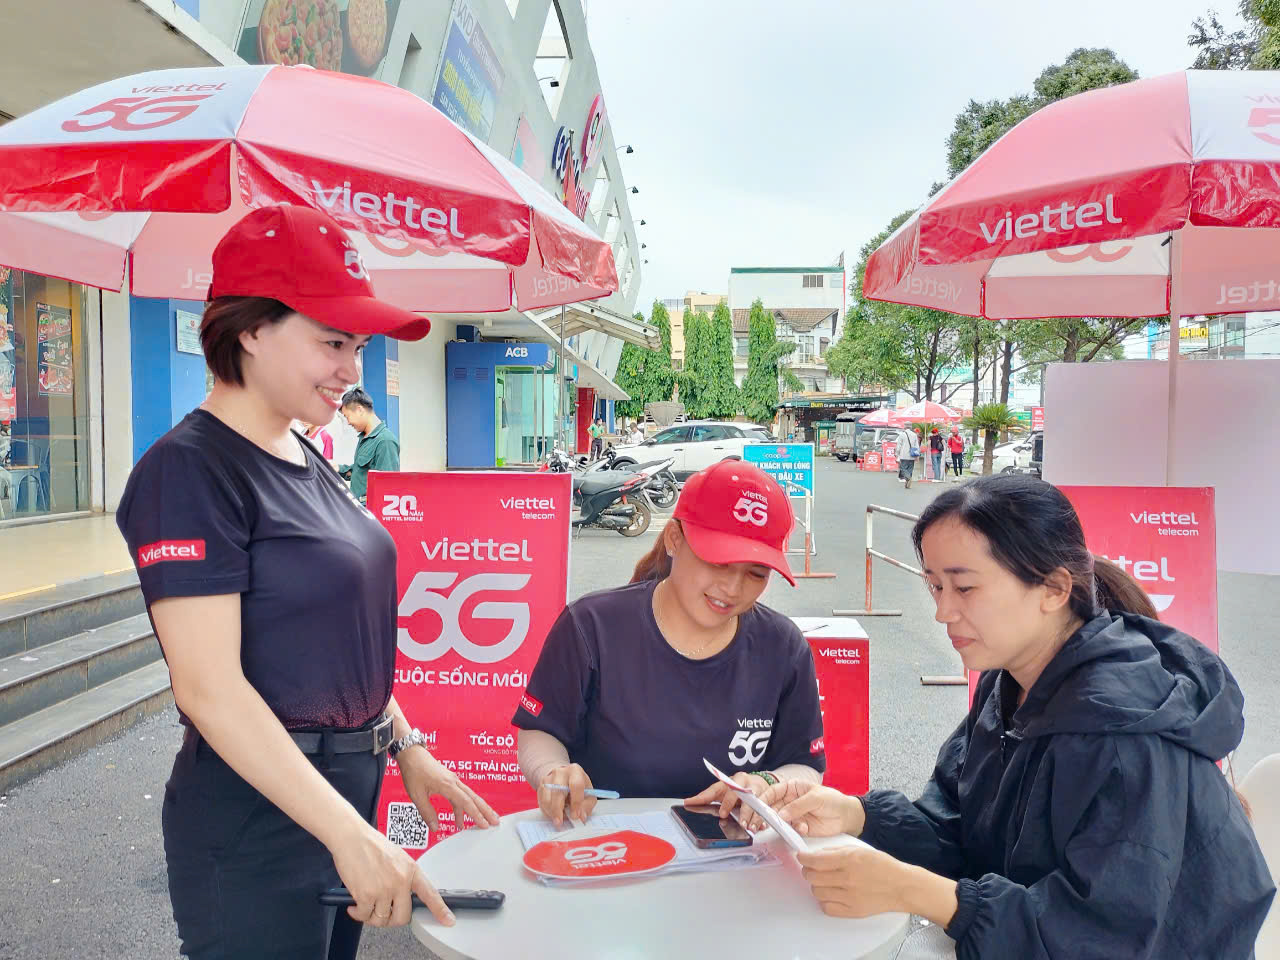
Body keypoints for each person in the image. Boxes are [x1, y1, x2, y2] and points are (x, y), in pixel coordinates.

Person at [115, 204, 500, 960]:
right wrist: (348, 834)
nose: (352, 371)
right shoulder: (189, 472)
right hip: (258, 821)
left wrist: (405, 745)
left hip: (341, 795)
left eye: (358, 347)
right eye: (332, 342)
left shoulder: (304, 452)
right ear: (251, 330)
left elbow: (329, 640)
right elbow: (209, 690)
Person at [747, 474, 1274, 960]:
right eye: (935, 586)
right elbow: (960, 828)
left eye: (965, 588)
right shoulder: (1008, 684)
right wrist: (856, 814)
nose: (943, 612)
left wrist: (915, 890)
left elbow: (1103, 936)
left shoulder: (1124, 735)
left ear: (1054, 589)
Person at [512, 460, 826, 827]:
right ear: (675, 539)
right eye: (718, 563)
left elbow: (805, 764)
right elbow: (541, 729)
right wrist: (553, 771)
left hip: (732, 852)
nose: (732, 588)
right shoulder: (590, 626)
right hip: (604, 844)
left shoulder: (783, 648)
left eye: (756, 573)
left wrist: (769, 783)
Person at [337, 387, 399, 505]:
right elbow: (361, 472)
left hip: (371, 511)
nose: (348, 422)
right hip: (358, 509)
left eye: (347, 416)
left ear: (359, 410)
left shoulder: (385, 441)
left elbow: (388, 489)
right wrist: (337, 468)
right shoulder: (364, 438)